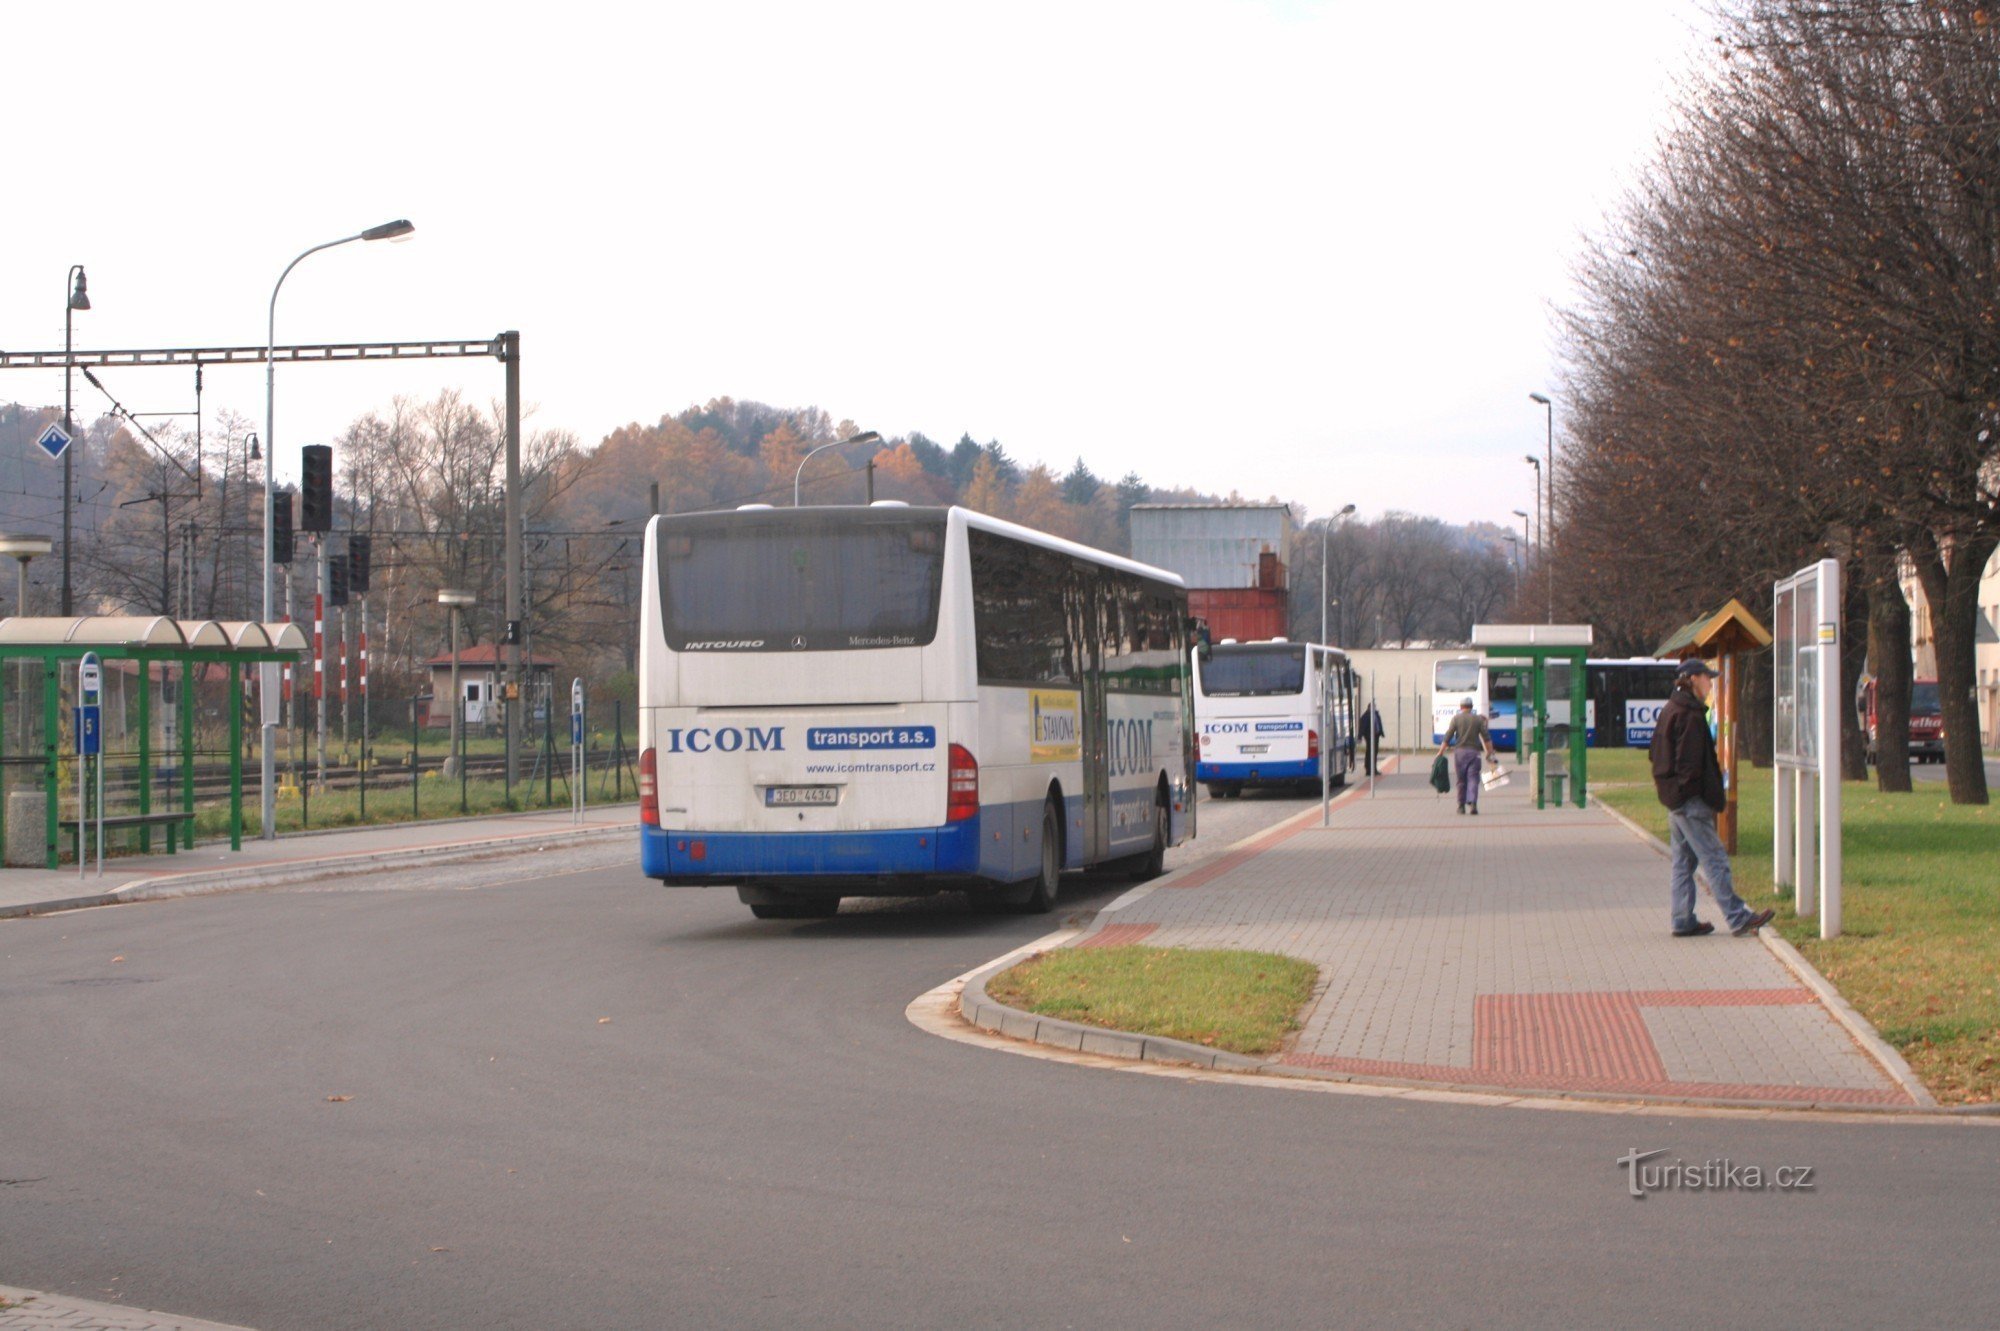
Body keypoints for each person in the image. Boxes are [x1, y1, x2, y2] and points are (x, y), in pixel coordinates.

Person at [1650, 658, 1774, 938]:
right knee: (1715, 858)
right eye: (1707, 678)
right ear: (1693, 679)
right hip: (1690, 802)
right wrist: (1693, 792)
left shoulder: (1671, 709)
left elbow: (1656, 754)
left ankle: (1682, 919)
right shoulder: (1689, 715)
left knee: (1683, 862)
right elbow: (1690, 763)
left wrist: (1675, 792)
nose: (1710, 684)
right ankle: (1738, 917)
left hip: (1675, 800)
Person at [1436, 697, 1495, 814]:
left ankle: (1461, 806)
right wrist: (1489, 753)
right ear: (1471, 707)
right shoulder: (1478, 719)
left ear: (1461, 707)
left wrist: (1441, 751)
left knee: (1461, 780)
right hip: (1474, 753)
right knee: (1473, 778)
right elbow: (1486, 738)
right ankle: (1473, 804)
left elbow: (1448, 736)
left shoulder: (1456, 719)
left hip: (1460, 753)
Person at [1361, 702, 1385, 775]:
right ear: (1368, 708)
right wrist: (1360, 736)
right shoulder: (1365, 716)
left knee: (1375, 752)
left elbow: (1379, 723)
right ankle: (1368, 769)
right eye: (1372, 707)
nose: (1374, 708)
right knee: (1370, 752)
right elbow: (1362, 726)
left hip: (1376, 735)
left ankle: (1374, 769)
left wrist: (1381, 732)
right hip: (1369, 736)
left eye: (1374, 707)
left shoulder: (1376, 714)